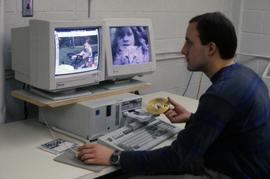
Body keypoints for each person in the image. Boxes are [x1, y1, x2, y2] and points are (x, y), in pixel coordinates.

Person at [78, 12, 270, 179]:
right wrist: (194, 119)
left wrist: (115, 156)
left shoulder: (220, 95)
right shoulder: (246, 76)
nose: (183, 50)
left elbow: (177, 158)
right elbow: (235, 130)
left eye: (189, 43)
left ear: (211, 48)